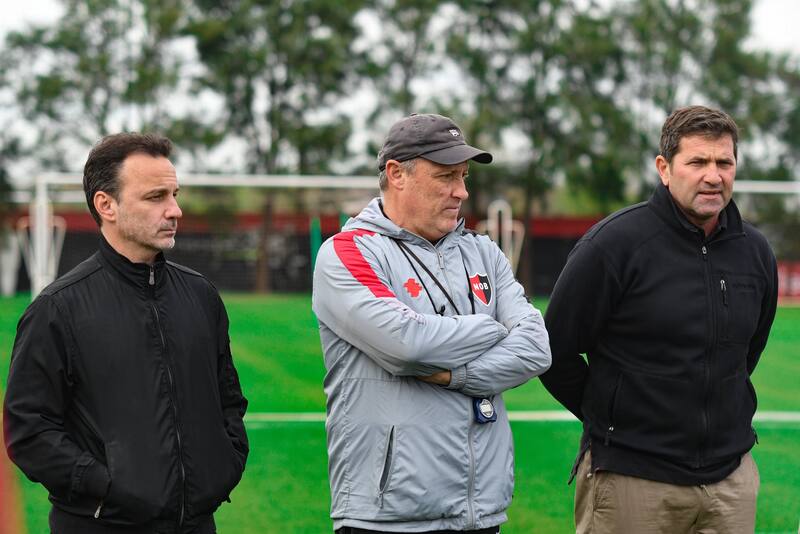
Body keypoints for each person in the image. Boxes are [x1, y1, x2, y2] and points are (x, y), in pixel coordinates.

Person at [540, 105, 778, 533]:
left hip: (730, 482)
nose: (713, 175)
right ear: (664, 168)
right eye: (698, 162)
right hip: (633, 480)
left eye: (724, 162)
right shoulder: (614, 244)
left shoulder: (755, 252)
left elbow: (748, 350)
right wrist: (614, 417)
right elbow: (553, 348)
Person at [312, 113, 552, 534]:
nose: (461, 191)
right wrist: (493, 328)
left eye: (463, 177)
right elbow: (407, 345)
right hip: (387, 518)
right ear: (396, 174)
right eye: (445, 177)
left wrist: (453, 374)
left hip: (481, 512)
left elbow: (535, 348)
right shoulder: (348, 253)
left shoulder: (484, 252)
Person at [3, 133, 248, 534]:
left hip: (197, 525)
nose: (175, 210)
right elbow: (28, 431)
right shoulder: (57, 309)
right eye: (156, 197)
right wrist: (107, 487)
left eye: (174, 194)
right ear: (106, 205)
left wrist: (226, 461)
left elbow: (228, 400)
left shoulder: (201, 296)